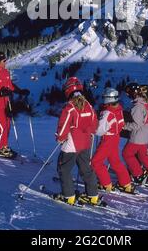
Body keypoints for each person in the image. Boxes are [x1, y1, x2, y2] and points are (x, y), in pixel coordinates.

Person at [55, 77, 99, 205]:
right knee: (86, 168)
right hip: (86, 142)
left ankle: (68, 196)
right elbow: (94, 124)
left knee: (64, 168)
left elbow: (64, 125)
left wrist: (60, 137)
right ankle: (93, 195)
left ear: (68, 91)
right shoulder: (88, 105)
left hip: (72, 143)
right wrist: (87, 131)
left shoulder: (70, 107)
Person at [0, 51, 29, 158]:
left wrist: (20, 91)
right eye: (4, 61)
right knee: (1, 126)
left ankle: (4, 146)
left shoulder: (5, 72)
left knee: (7, 126)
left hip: (5, 103)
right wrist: (0, 93)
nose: (5, 62)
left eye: (5, 60)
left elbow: (10, 85)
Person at [91, 88, 135, 194]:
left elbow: (100, 130)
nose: (103, 99)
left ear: (109, 98)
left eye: (105, 97)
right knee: (115, 162)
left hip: (108, 139)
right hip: (115, 138)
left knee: (96, 162)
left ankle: (106, 184)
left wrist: (92, 127)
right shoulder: (119, 109)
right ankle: (126, 183)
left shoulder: (107, 113)